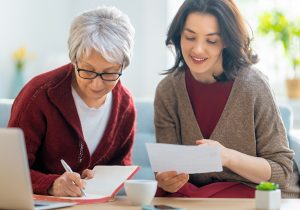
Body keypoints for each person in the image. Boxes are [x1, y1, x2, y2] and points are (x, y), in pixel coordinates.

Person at [154, 0, 300, 198]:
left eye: (211, 40)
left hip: (260, 196)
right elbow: (166, 169)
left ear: (227, 42)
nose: (197, 49)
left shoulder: (253, 85)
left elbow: (282, 171)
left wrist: (227, 157)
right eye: (190, 37)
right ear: (178, 35)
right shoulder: (167, 90)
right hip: (198, 198)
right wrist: (167, 179)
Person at [8, 6, 135, 197]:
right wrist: (52, 184)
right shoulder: (39, 95)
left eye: (109, 73)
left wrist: (102, 179)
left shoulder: (125, 106)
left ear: (123, 66)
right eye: (88, 70)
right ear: (74, 60)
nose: (96, 84)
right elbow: (9, 172)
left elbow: (121, 167)